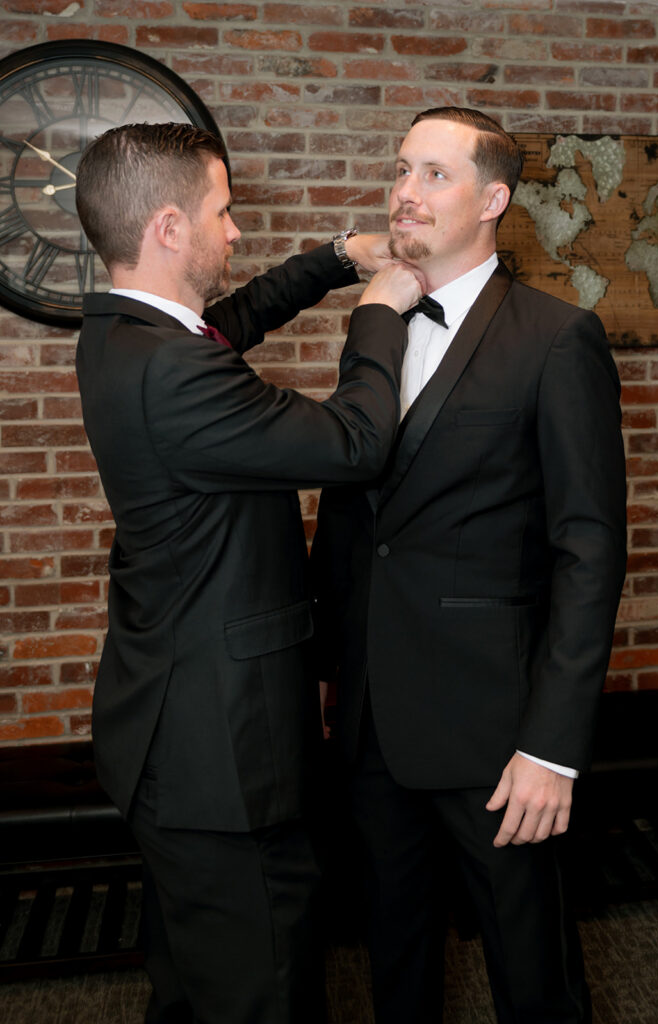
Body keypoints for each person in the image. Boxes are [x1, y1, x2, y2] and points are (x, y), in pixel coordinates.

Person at [74, 121, 423, 1024]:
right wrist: (379, 308)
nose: (235, 233)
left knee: (195, 984)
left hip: (167, 733)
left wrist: (340, 257)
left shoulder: (120, 333)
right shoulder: (175, 377)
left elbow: (229, 323)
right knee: (263, 992)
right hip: (221, 756)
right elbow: (355, 442)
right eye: (222, 214)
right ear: (167, 228)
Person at [311, 106, 627, 1023]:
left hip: (498, 737)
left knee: (532, 973)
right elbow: (354, 514)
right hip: (372, 724)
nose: (405, 192)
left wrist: (552, 748)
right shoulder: (373, 323)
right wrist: (331, 672)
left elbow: (588, 549)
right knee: (394, 963)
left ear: (494, 198)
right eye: (401, 169)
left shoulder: (557, 337)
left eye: (434, 175)